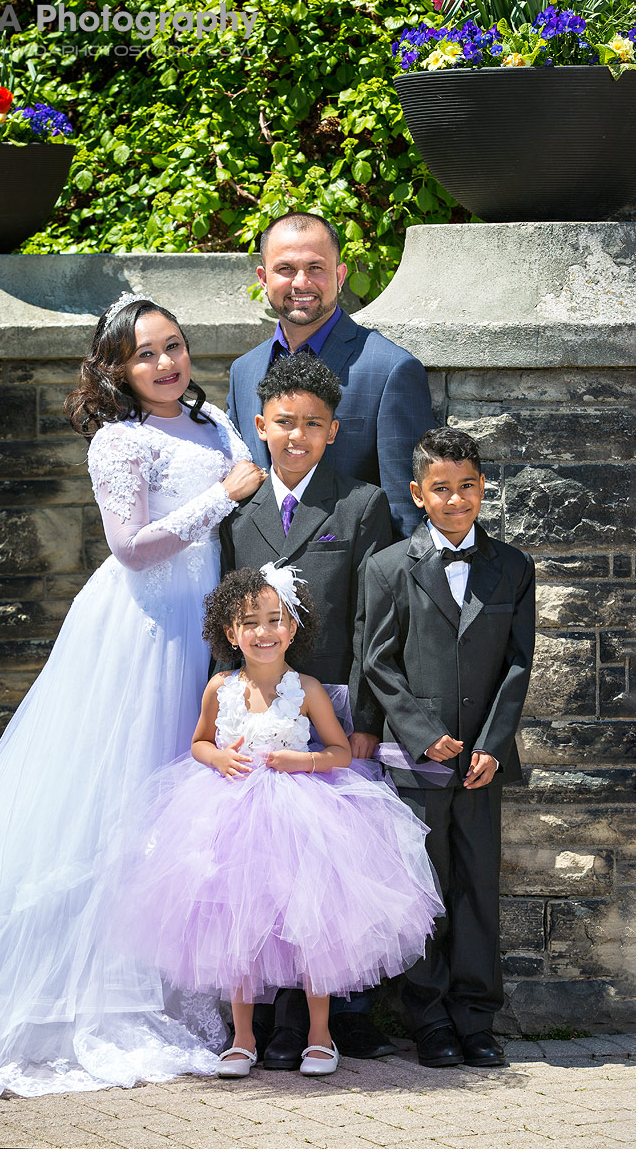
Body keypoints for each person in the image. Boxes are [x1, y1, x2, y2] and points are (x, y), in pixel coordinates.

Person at [0, 293, 266, 1108]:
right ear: (116, 370)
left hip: (202, 623)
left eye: (174, 346)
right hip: (140, 628)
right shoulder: (118, 440)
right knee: (115, 796)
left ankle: (160, 976)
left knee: (179, 799)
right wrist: (224, 498)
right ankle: (88, 989)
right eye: (146, 355)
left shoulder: (212, 422)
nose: (167, 363)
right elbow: (132, 548)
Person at [116, 566, 443, 1078]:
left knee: (313, 923)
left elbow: (339, 752)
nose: (263, 631)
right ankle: (243, 1038)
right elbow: (201, 741)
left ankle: (319, 1035)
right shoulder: (220, 687)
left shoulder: (307, 689)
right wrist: (218, 758)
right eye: (250, 622)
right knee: (238, 922)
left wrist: (303, 761)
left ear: (292, 628)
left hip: (301, 814)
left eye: (275, 620)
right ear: (231, 633)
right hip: (229, 814)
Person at [219, 353, 397, 1066]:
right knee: (261, 870)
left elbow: (372, 626)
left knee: (322, 875)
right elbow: (226, 613)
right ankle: (260, 1022)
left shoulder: (360, 505)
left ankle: (314, 1021)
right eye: (284, 423)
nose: (297, 437)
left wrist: (365, 725)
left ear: (331, 432)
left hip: (330, 710)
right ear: (262, 426)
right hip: (259, 712)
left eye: (312, 426)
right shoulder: (237, 509)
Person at [361, 427, 536, 1069]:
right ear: (418, 494)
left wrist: (493, 742)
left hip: (482, 764)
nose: (456, 499)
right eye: (442, 489)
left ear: (482, 488)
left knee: (476, 889)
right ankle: (429, 1021)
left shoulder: (513, 567)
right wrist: (418, 732)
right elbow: (377, 662)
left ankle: (476, 1019)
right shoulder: (386, 567)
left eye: (467, 486)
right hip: (418, 760)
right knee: (423, 889)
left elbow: (519, 663)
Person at [226, 211, 435, 539]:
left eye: (315, 268)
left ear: (339, 275)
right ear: (263, 278)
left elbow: (408, 514)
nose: (300, 282)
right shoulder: (244, 371)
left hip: (353, 582)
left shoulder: (390, 370)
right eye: (285, 269)